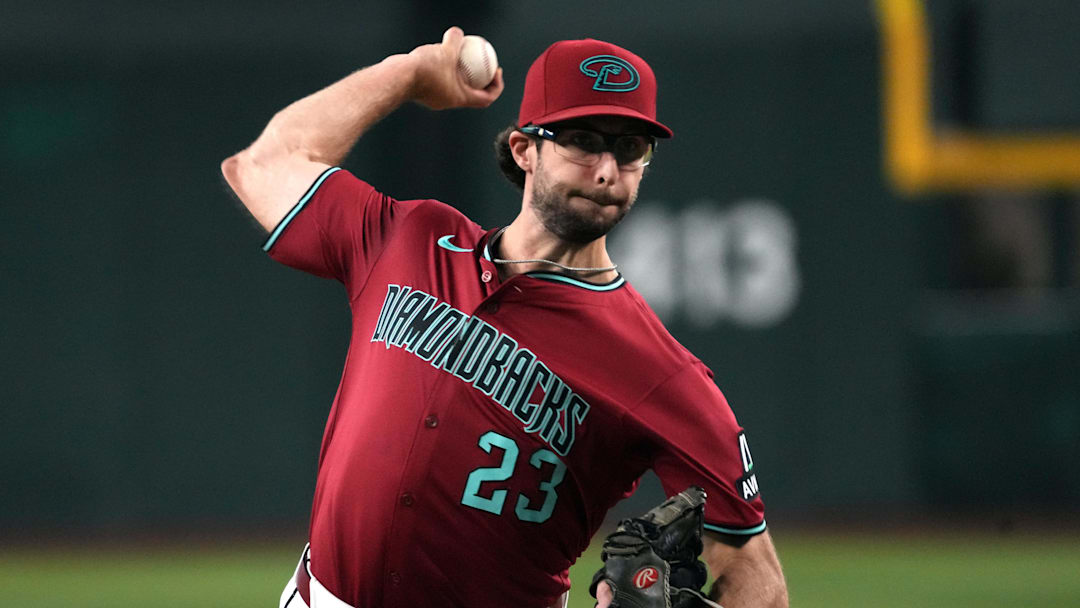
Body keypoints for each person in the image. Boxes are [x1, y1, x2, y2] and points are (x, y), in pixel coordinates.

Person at [222, 27, 788, 608]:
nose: (606, 171)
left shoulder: (662, 374)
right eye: (582, 140)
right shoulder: (410, 239)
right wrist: (409, 74)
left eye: (630, 148)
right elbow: (262, 166)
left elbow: (756, 575)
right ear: (524, 149)